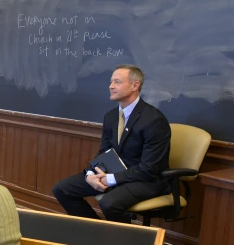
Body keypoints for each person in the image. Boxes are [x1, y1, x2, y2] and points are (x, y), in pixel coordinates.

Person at [52, 65, 171, 223]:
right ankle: (97, 234)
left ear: (135, 85)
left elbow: (150, 168)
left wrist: (111, 179)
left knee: (109, 203)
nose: (111, 86)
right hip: (115, 174)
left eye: (117, 82)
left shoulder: (154, 120)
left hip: (146, 180)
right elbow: (104, 153)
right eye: (110, 82)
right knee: (62, 189)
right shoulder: (111, 117)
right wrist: (90, 175)